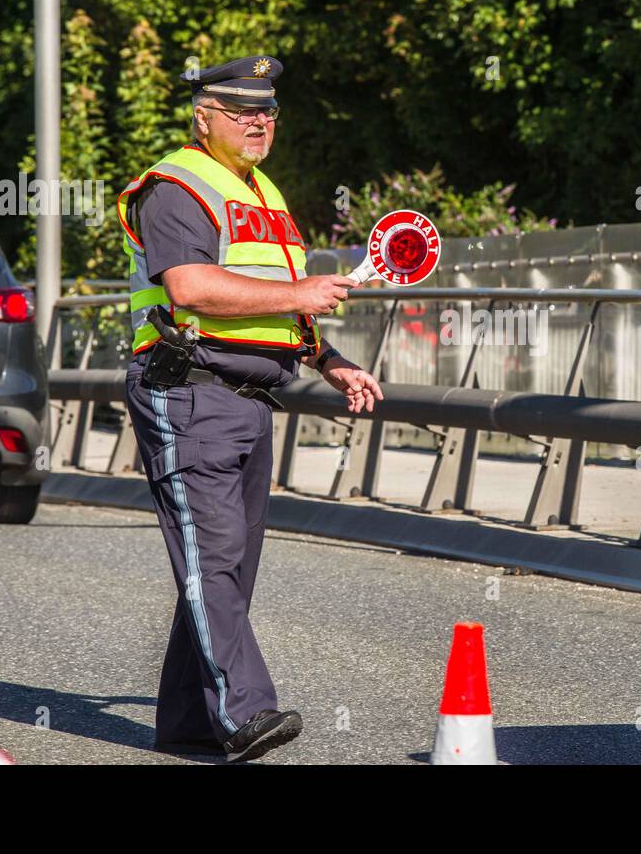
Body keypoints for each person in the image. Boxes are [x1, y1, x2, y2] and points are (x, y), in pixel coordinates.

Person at [116, 54, 383, 762]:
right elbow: (190, 286)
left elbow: (277, 300)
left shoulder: (262, 190)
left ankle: (186, 721)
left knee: (225, 564)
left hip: (248, 400)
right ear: (203, 116)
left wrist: (331, 361)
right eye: (243, 110)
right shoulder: (177, 187)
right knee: (216, 558)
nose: (260, 121)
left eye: (267, 111)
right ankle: (245, 713)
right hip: (188, 390)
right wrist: (301, 297)